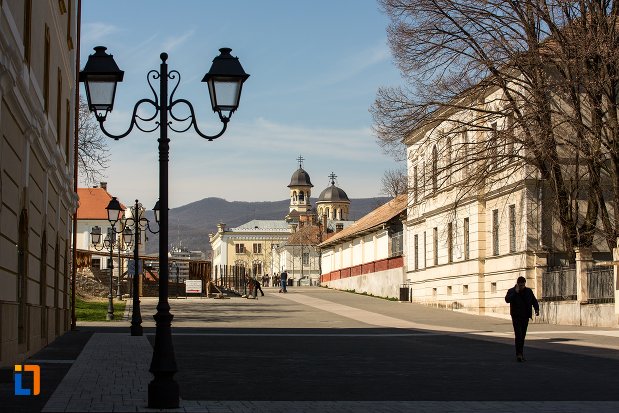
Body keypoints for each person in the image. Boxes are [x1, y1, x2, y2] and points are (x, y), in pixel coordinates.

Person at [505, 276, 540, 362]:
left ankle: (520, 353)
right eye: (520, 285)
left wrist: (537, 309)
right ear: (517, 284)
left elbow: (534, 300)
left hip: (525, 316)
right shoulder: (511, 291)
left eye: (523, 285)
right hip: (516, 316)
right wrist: (515, 293)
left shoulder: (528, 291)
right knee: (518, 335)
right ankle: (519, 354)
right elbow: (507, 300)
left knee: (522, 336)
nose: (522, 287)